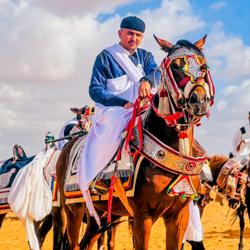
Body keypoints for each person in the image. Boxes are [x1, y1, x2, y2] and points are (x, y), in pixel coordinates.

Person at [78, 16, 159, 200]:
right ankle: (102, 175)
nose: (134, 38)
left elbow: (156, 72)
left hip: (142, 106)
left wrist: (146, 80)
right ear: (120, 33)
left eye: (139, 35)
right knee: (117, 122)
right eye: (130, 33)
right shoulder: (106, 57)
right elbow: (95, 90)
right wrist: (122, 103)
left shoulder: (146, 56)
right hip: (113, 109)